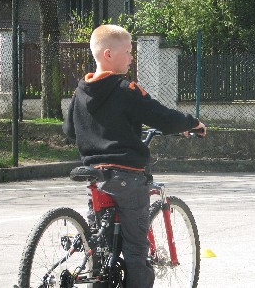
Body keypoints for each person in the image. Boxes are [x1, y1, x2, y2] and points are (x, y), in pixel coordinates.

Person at [63, 24, 206, 288]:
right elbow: (161, 116)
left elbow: (70, 130)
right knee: (136, 251)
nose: (131, 58)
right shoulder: (126, 88)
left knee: (103, 250)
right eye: (128, 52)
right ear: (108, 55)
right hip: (126, 175)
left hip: (94, 174)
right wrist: (192, 123)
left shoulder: (80, 90)